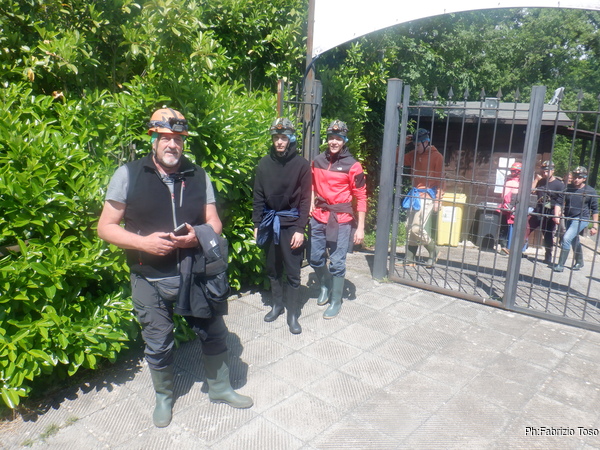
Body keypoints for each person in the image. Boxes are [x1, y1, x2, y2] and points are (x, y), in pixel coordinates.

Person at [97, 107, 252, 428]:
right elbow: (105, 227)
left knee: (214, 332)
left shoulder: (199, 175)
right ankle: (164, 397)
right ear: (153, 139)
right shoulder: (127, 175)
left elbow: (215, 222)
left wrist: (198, 236)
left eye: (178, 139)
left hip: (194, 272)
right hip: (148, 277)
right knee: (158, 342)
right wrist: (143, 244)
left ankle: (220, 388)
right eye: (165, 137)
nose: (172, 144)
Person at [252, 118, 311, 334]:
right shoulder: (263, 164)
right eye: (276, 137)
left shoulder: (302, 165)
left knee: (293, 272)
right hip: (270, 223)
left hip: (291, 224)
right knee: (273, 268)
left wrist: (300, 229)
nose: (279, 141)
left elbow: (305, 199)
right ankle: (277, 305)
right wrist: (257, 223)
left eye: (283, 137)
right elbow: (258, 195)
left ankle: (292, 313)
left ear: (290, 139)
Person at [310, 120, 367, 319]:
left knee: (337, 262)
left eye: (338, 138)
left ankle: (336, 300)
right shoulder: (317, 161)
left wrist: (360, 227)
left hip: (341, 219)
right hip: (319, 216)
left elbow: (361, 196)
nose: (334, 142)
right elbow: (311, 184)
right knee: (314, 258)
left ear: (344, 141)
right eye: (331, 138)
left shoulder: (353, 166)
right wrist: (311, 202)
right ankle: (325, 284)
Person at [402, 128, 444, 267]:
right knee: (409, 227)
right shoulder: (413, 154)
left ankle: (434, 250)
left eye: (418, 145)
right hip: (414, 195)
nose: (416, 148)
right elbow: (396, 158)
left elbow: (441, 180)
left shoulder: (437, 157)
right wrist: (404, 143)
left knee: (416, 228)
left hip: (427, 196)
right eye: (414, 145)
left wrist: (438, 200)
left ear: (426, 142)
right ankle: (410, 258)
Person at [553, 166, 598, 272]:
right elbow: (559, 202)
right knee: (574, 240)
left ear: (584, 178)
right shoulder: (567, 188)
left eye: (579, 177)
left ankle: (560, 265)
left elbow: (595, 209)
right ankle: (579, 261)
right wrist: (556, 215)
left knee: (566, 238)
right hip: (569, 217)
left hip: (582, 218)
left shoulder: (590, 191)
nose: (576, 179)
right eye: (575, 177)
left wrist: (595, 226)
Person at [525, 160, 564, 264]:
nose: (545, 173)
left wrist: (557, 214)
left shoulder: (559, 185)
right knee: (525, 229)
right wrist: (536, 180)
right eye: (543, 171)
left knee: (548, 236)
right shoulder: (540, 181)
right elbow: (531, 191)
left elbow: (560, 202)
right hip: (537, 211)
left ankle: (548, 257)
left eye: (547, 171)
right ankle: (519, 251)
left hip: (549, 214)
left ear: (553, 171)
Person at [498, 161, 522, 254]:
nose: (514, 173)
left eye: (516, 171)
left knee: (511, 228)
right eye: (513, 171)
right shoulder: (510, 182)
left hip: (515, 208)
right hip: (509, 208)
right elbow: (504, 196)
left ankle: (510, 248)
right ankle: (504, 247)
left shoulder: (521, 183)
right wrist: (509, 205)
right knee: (505, 227)